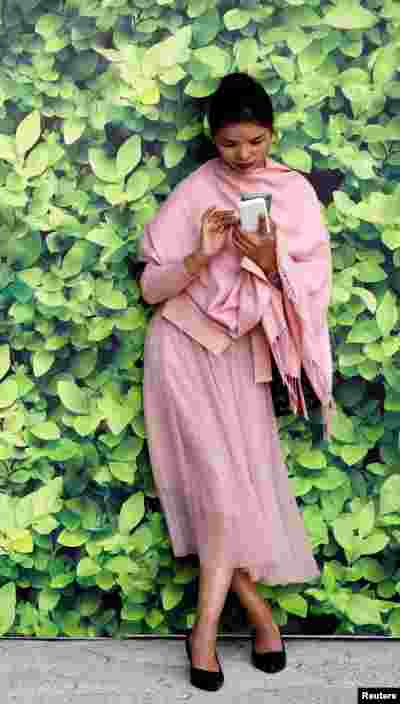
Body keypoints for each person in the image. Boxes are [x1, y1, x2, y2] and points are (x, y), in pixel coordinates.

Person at [137, 72, 334, 692]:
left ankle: (259, 617)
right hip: (181, 349)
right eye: (229, 144)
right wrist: (200, 255)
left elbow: (309, 289)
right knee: (220, 494)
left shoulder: (294, 194)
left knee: (232, 497)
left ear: (271, 134)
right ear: (212, 141)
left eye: (254, 141)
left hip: (240, 357)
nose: (243, 156)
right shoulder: (198, 189)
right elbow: (150, 288)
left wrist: (271, 261)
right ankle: (205, 637)